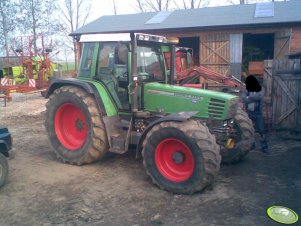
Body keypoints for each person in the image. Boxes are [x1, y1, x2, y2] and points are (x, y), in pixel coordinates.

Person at [242, 75, 269, 154]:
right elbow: (243, 99)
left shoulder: (261, 89)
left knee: (261, 130)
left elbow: (259, 97)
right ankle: (251, 145)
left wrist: (248, 98)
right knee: (249, 129)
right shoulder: (247, 89)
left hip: (258, 113)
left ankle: (264, 147)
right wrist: (250, 98)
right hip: (248, 113)